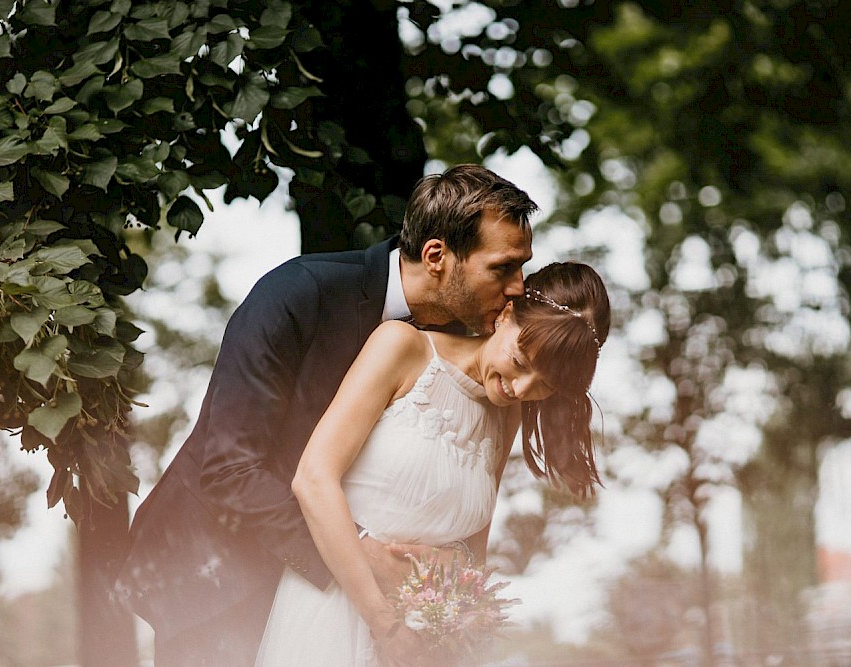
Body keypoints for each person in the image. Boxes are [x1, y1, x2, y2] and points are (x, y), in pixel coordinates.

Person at [115, 164, 539, 666]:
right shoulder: (298, 294)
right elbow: (230, 469)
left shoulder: (467, 359)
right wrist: (362, 555)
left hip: (342, 611)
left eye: (522, 267)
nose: (518, 287)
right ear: (436, 257)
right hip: (217, 576)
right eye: (502, 268)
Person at [254, 262, 611, 666]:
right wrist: (384, 623)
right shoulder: (402, 348)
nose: (522, 388)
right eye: (522, 360)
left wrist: (449, 577)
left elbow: (474, 554)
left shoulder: (504, 414)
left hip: (425, 639)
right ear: (507, 315)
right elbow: (314, 480)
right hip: (336, 611)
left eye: (545, 384)